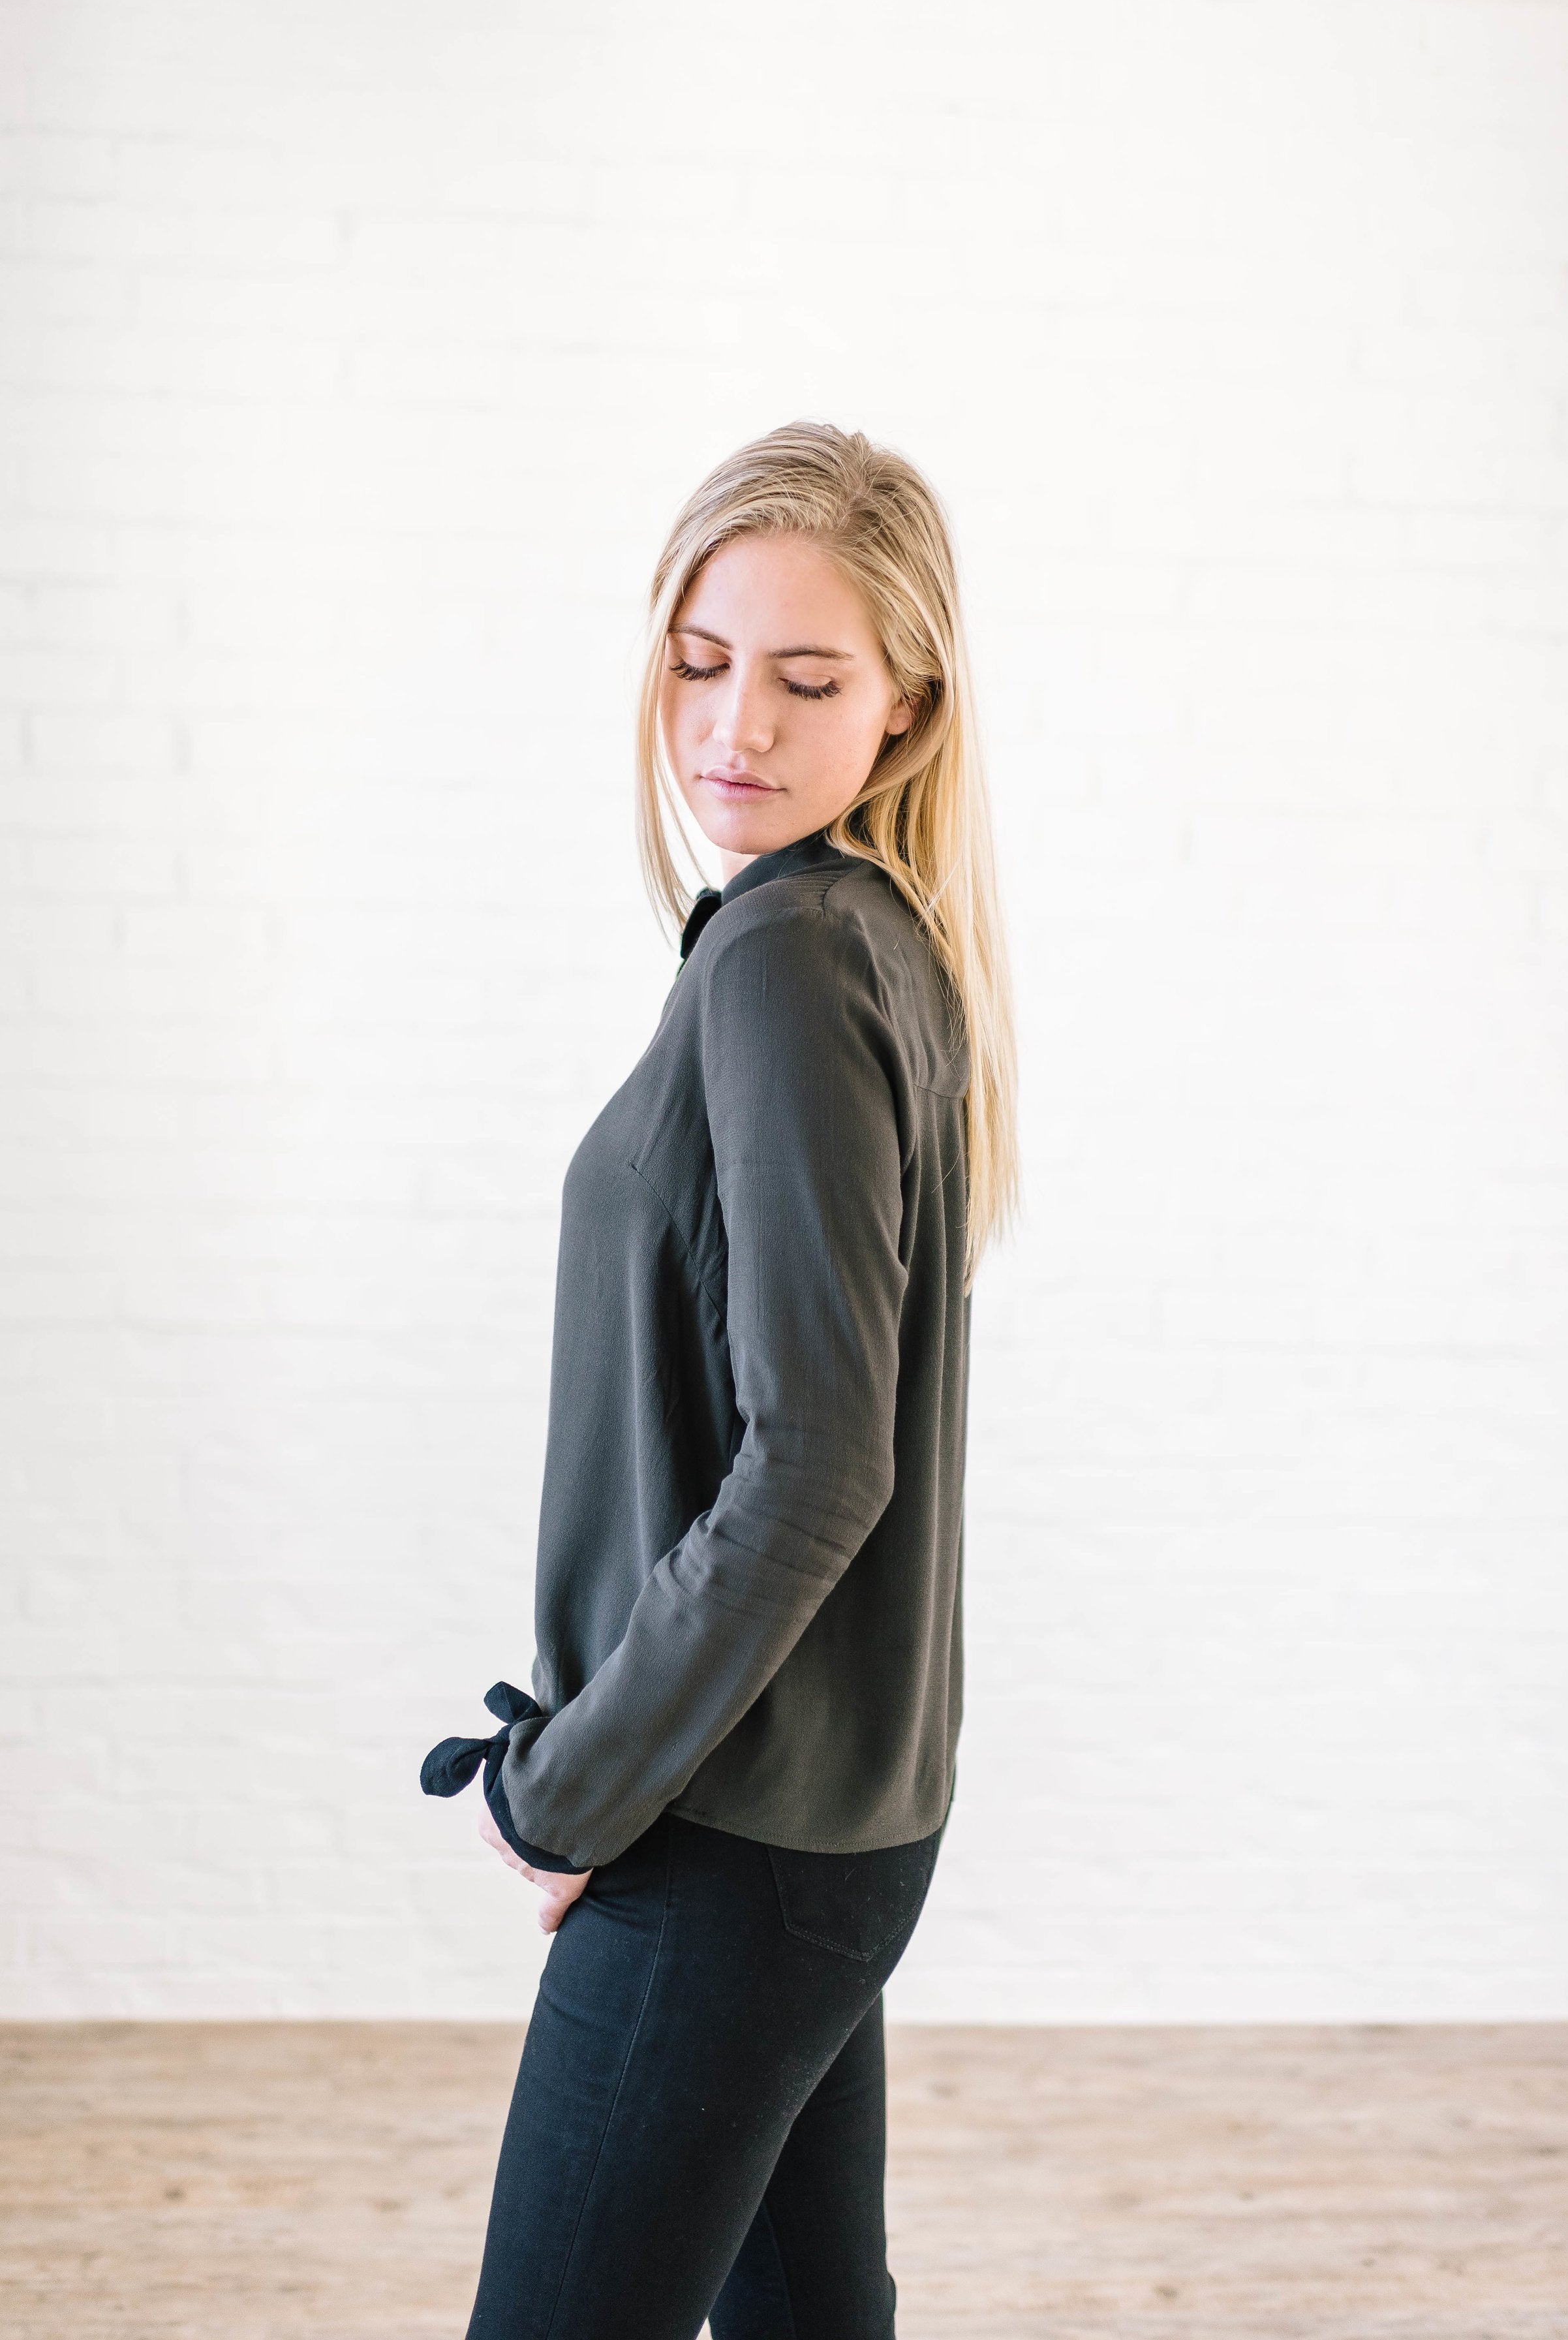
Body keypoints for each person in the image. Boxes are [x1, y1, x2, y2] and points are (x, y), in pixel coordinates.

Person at [420, 420, 1018, 2340]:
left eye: (807, 679)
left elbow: (817, 1459)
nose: (734, 724)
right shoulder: (876, 941)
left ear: (908, 705)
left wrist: (564, 1794)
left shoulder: (791, 960)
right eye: (700, 659)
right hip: (824, 1832)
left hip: (731, 1836)